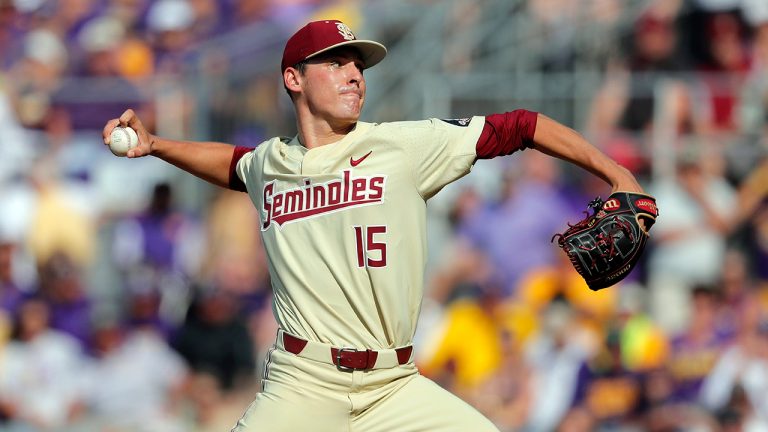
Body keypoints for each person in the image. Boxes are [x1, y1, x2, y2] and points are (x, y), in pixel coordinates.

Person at [102, 19, 648, 432]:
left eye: (357, 64)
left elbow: (523, 126)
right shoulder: (270, 163)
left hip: (395, 386)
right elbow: (232, 162)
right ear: (293, 78)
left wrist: (616, 172)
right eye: (335, 63)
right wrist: (155, 146)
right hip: (303, 383)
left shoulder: (402, 147)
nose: (354, 74)